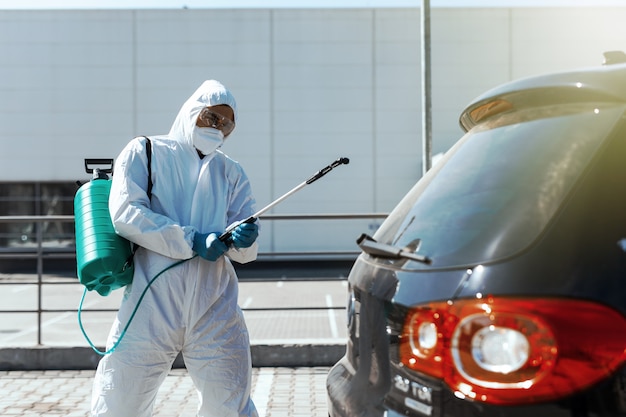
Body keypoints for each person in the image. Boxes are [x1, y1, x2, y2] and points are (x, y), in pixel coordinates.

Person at [91, 80, 260, 417]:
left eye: (226, 123)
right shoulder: (146, 152)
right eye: (211, 118)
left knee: (230, 403)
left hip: (214, 308)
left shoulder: (231, 172)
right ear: (192, 112)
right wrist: (190, 240)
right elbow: (126, 213)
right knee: (119, 402)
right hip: (151, 304)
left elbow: (246, 250)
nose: (217, 128)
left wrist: (244, 239)